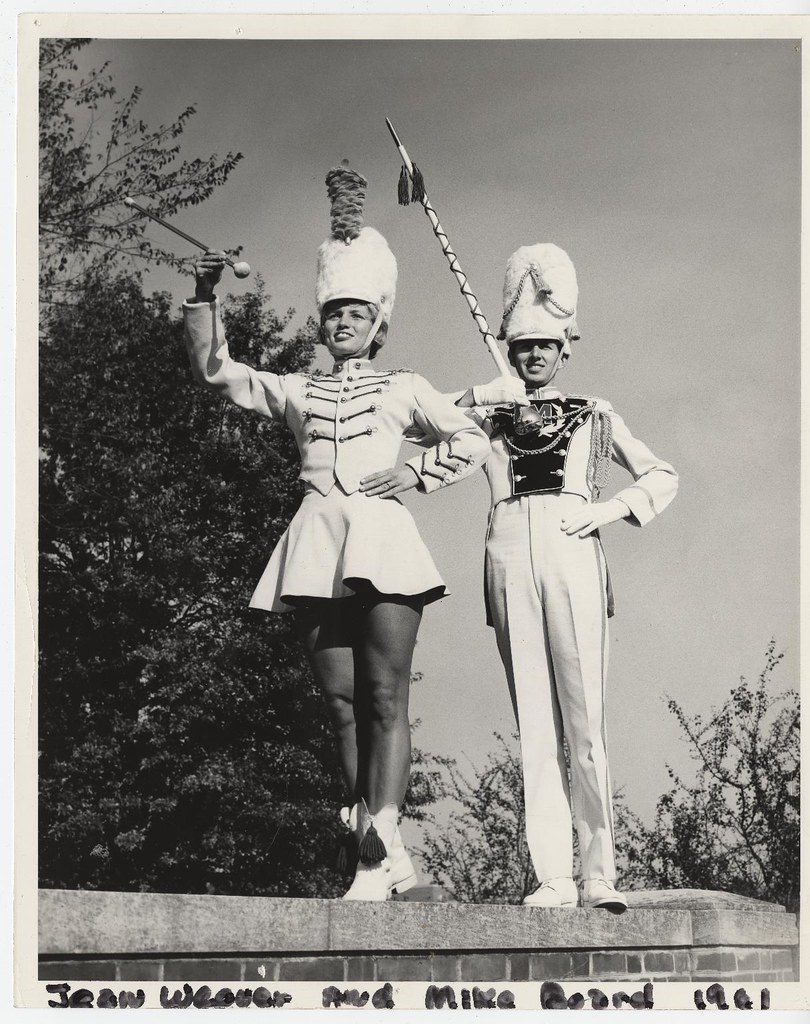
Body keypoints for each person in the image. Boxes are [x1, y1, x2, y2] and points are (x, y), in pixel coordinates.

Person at [181, 164, 490, 902]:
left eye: (357, 313)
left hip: (384, 540)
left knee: (386, 698)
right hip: (316, 540)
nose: (343, 323)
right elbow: (217, 370)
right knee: (341, 703)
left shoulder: (405, 385)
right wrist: (202, 293)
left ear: (379, 324)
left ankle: (378, 851)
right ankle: (380, 849)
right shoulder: (297, 389)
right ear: (321, 324)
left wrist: (417, 475)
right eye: (333, 314)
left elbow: (474, 438)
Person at [454, 243, 678, 911]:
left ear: (563, 347)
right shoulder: (487, 416)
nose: (531, 356)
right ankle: (552, 874)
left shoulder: (593, 411)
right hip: (508, 562)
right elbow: (415, 432)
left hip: (574, 556)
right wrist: (473, 397)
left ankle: (598, 874)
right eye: (520, 345)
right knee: (535, 729)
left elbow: (661, 474)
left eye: (543, 345)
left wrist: (607, 510)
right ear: (508, 347)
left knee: (583, 728)